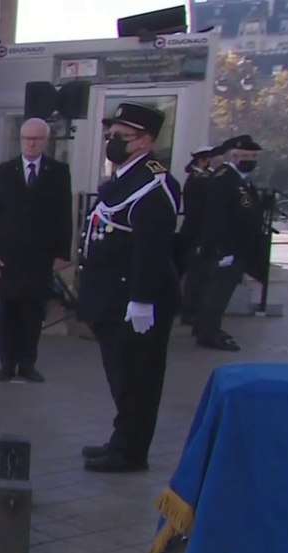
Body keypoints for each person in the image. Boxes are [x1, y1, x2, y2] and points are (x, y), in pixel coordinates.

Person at [78, 102, 181, 473]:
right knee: (121, 377)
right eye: (111, 134)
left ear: (145, 141)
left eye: (121, 136)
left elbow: (151, 248)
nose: (113, 141)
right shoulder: (124, 177)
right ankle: (121, 440)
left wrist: (141, 299)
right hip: (111, 297)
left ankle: (131, 452)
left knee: (138, 379)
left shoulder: (154, 184)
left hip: (133, 301)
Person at [0, 117, 72, 383]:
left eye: (37, 139)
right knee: (9, 312)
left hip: (41, 255)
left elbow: (64, 213)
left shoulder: (58, 172)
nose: (31, 143)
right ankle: (7, 363)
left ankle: (27, 363)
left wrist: (62, 254)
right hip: (9, 255)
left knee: (34, 312)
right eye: (27, 139)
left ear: (46, 141)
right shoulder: (4, 171)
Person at [193, 134, 264, 352]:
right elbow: (216, 217)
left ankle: (208, 327)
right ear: (234, 157)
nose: (250, 161)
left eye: (253, 157)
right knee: (217, 292)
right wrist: (224, 249)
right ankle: (208, 333)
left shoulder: (240, 179)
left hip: (239, 245)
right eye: (245, 157)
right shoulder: (223, 179)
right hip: (226, 247)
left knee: (220, 292)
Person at [178, 145, 219, 327]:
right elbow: (196, 210)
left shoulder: (205, 178)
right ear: (203, 160)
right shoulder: (197, 180)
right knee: (195, 273)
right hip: (196, 232)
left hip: (201, 231)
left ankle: (195, 310)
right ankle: (189, 311)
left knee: (202, 274)